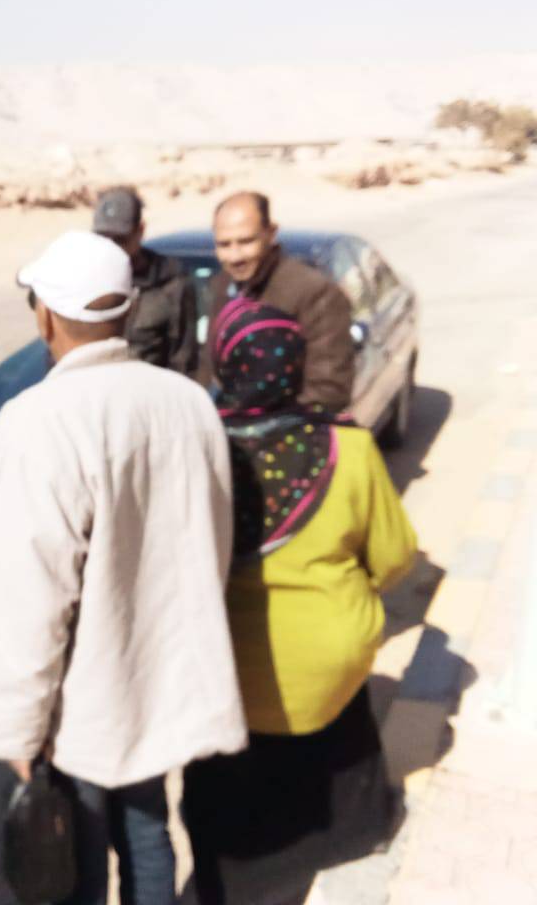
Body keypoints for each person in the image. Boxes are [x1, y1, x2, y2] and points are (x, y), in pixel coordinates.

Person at [0, 231, 248, 905]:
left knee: (81, 861)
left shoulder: (37, 423)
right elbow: (211, 543)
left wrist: (20, 729)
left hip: (81, 707)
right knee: (147, 833)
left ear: (46, 316)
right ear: (128, 308)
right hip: (155, 683)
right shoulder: (187, 402)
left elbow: (27, 602)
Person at [181, 300, 416, 905]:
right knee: (341, 723)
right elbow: (395, 558)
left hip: (226, 675)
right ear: (296, 367)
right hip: (331, 667)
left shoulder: (196, 452)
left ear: (224, 364)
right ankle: (345, 838)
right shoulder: (348, 448)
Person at [201, 191, 354, 412]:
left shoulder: (314, 292)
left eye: (246, 241)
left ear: (271, 233)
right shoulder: (224, 284)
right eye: (224, 245)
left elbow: (329, 390)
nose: (235, 256)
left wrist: (258, 422)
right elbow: (209, 368)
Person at [92, 185, 197, 375]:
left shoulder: (171, 285)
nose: (111, 248)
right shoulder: (86, 280)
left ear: (140, 231)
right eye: (103, 239)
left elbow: (183, 361)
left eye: (120, 240)